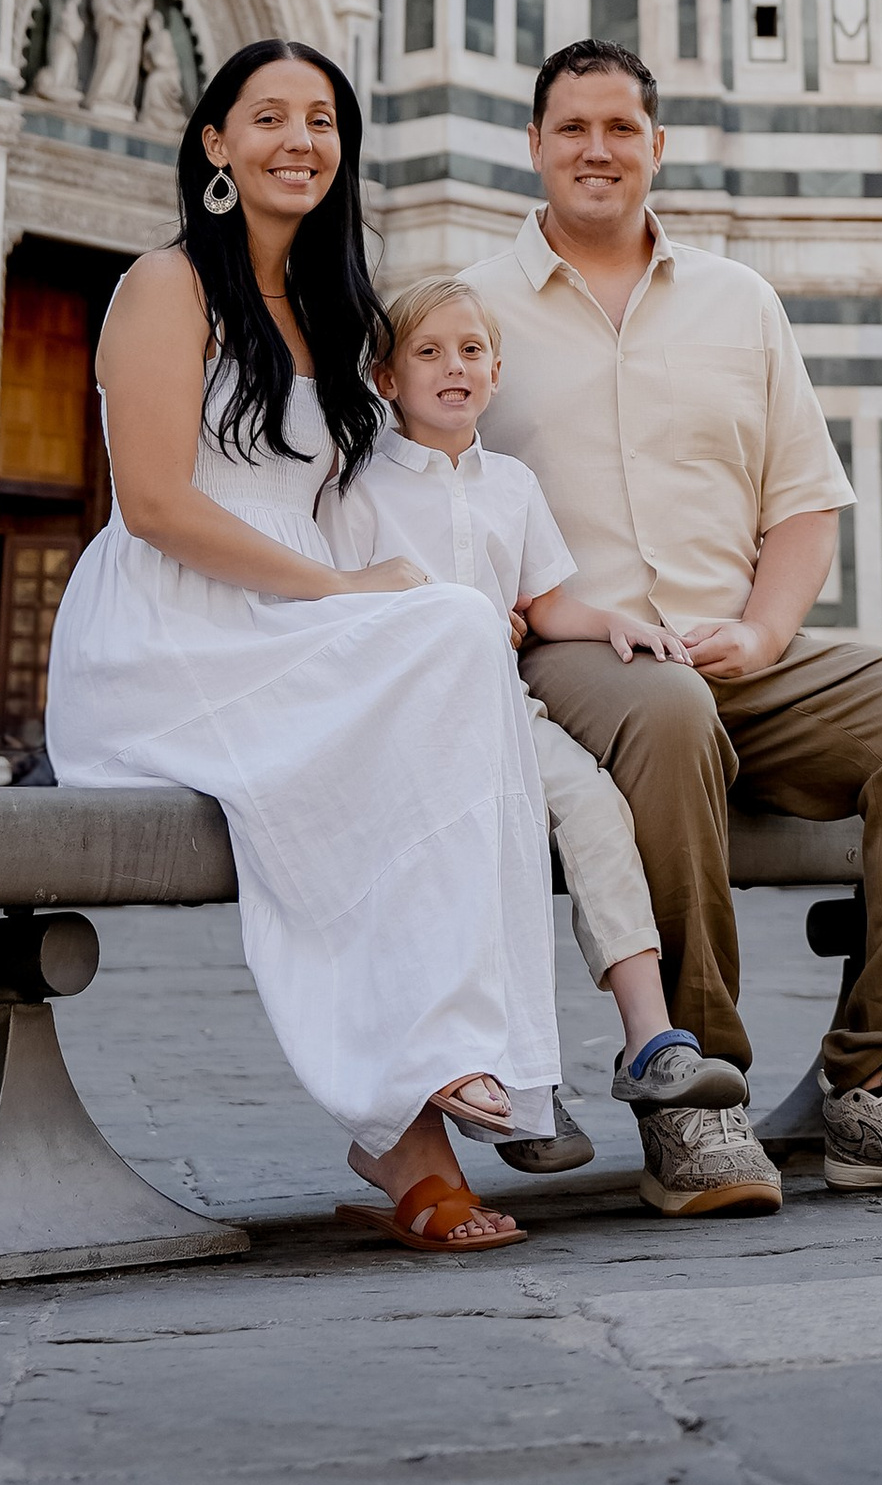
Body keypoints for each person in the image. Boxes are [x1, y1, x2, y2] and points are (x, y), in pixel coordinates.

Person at [467, 40, 882, 1218]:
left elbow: (803, 505)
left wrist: (765, 636)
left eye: (621, 128)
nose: (598, 150)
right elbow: (424, 488)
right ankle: (693, 1089)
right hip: (577, 659)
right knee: (667, 712)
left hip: (740, 652)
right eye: (574, 128)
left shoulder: (738, 301)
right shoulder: (473, 312)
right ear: (534, 145)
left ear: (657, 146)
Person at [46, 39, 562, 1255]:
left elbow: (393, 490)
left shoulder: (341, 314)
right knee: (427, 652)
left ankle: (452, 1063)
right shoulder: (166, 285)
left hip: (288, 615)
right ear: (215, 142)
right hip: (171, 627)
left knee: (457, 630)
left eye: (322, 119)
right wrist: (341, 591)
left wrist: (472, 589)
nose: (299, 140)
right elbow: (156, 505)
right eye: (269, 115)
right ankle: (430, 1075)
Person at [318, 275, 748, 1173]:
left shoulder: (511, 484)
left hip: (505, 711)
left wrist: (617, 623)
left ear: (497, 372)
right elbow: (340, 610)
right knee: (482, 844)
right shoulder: (357, 485)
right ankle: (520, 1087)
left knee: (594, 807)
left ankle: (651, 1039)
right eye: (429, 352)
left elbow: (544, 603)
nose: (454, 367)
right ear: (386, 378)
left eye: (471, 351)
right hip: (407, 725)